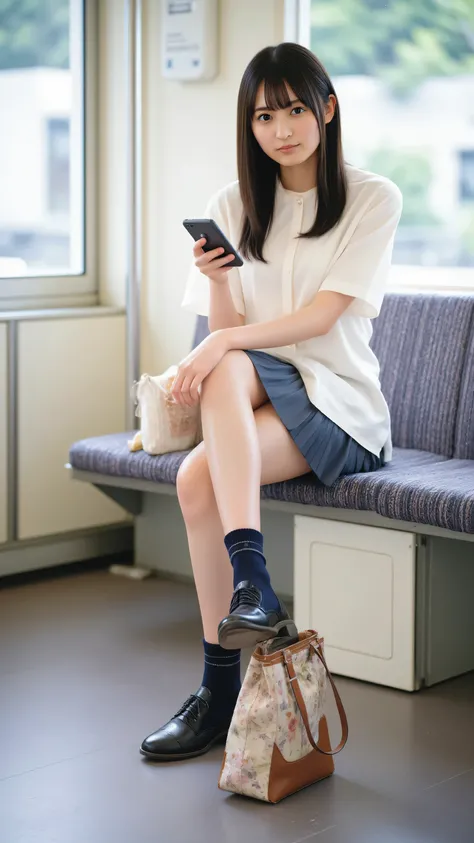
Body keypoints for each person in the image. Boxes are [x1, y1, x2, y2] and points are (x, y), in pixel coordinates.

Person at [140, 42, 402, 762]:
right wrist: (219, 282)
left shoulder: (373, 197)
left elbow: (321, 319)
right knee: (195, 476)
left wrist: (215, 348)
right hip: (258, 392)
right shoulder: (235, 204)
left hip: (340, 405)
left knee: (215, 399)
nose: (281, 128)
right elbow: (229, 338)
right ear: (248, 124)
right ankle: (227, 660)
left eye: (294, 108)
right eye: (264, 114)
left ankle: (243, 611)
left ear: (327, 108)